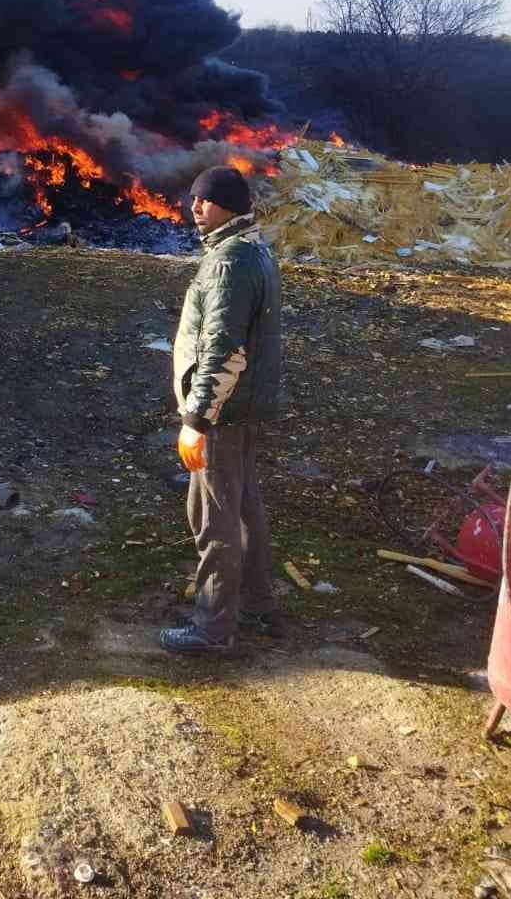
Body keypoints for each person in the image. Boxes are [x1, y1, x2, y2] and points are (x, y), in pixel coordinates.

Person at [160, 164, 282, 656]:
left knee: (212, 516)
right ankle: (257, 603)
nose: (194, 208)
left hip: (224, 413)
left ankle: (212, 628)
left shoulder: (229, 263)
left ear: (228, 205)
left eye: (204, 200)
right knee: (245, 505)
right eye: (192, 198)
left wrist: (196, 420)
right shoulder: (254, 251)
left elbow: (223, 349)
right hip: (247, 405)